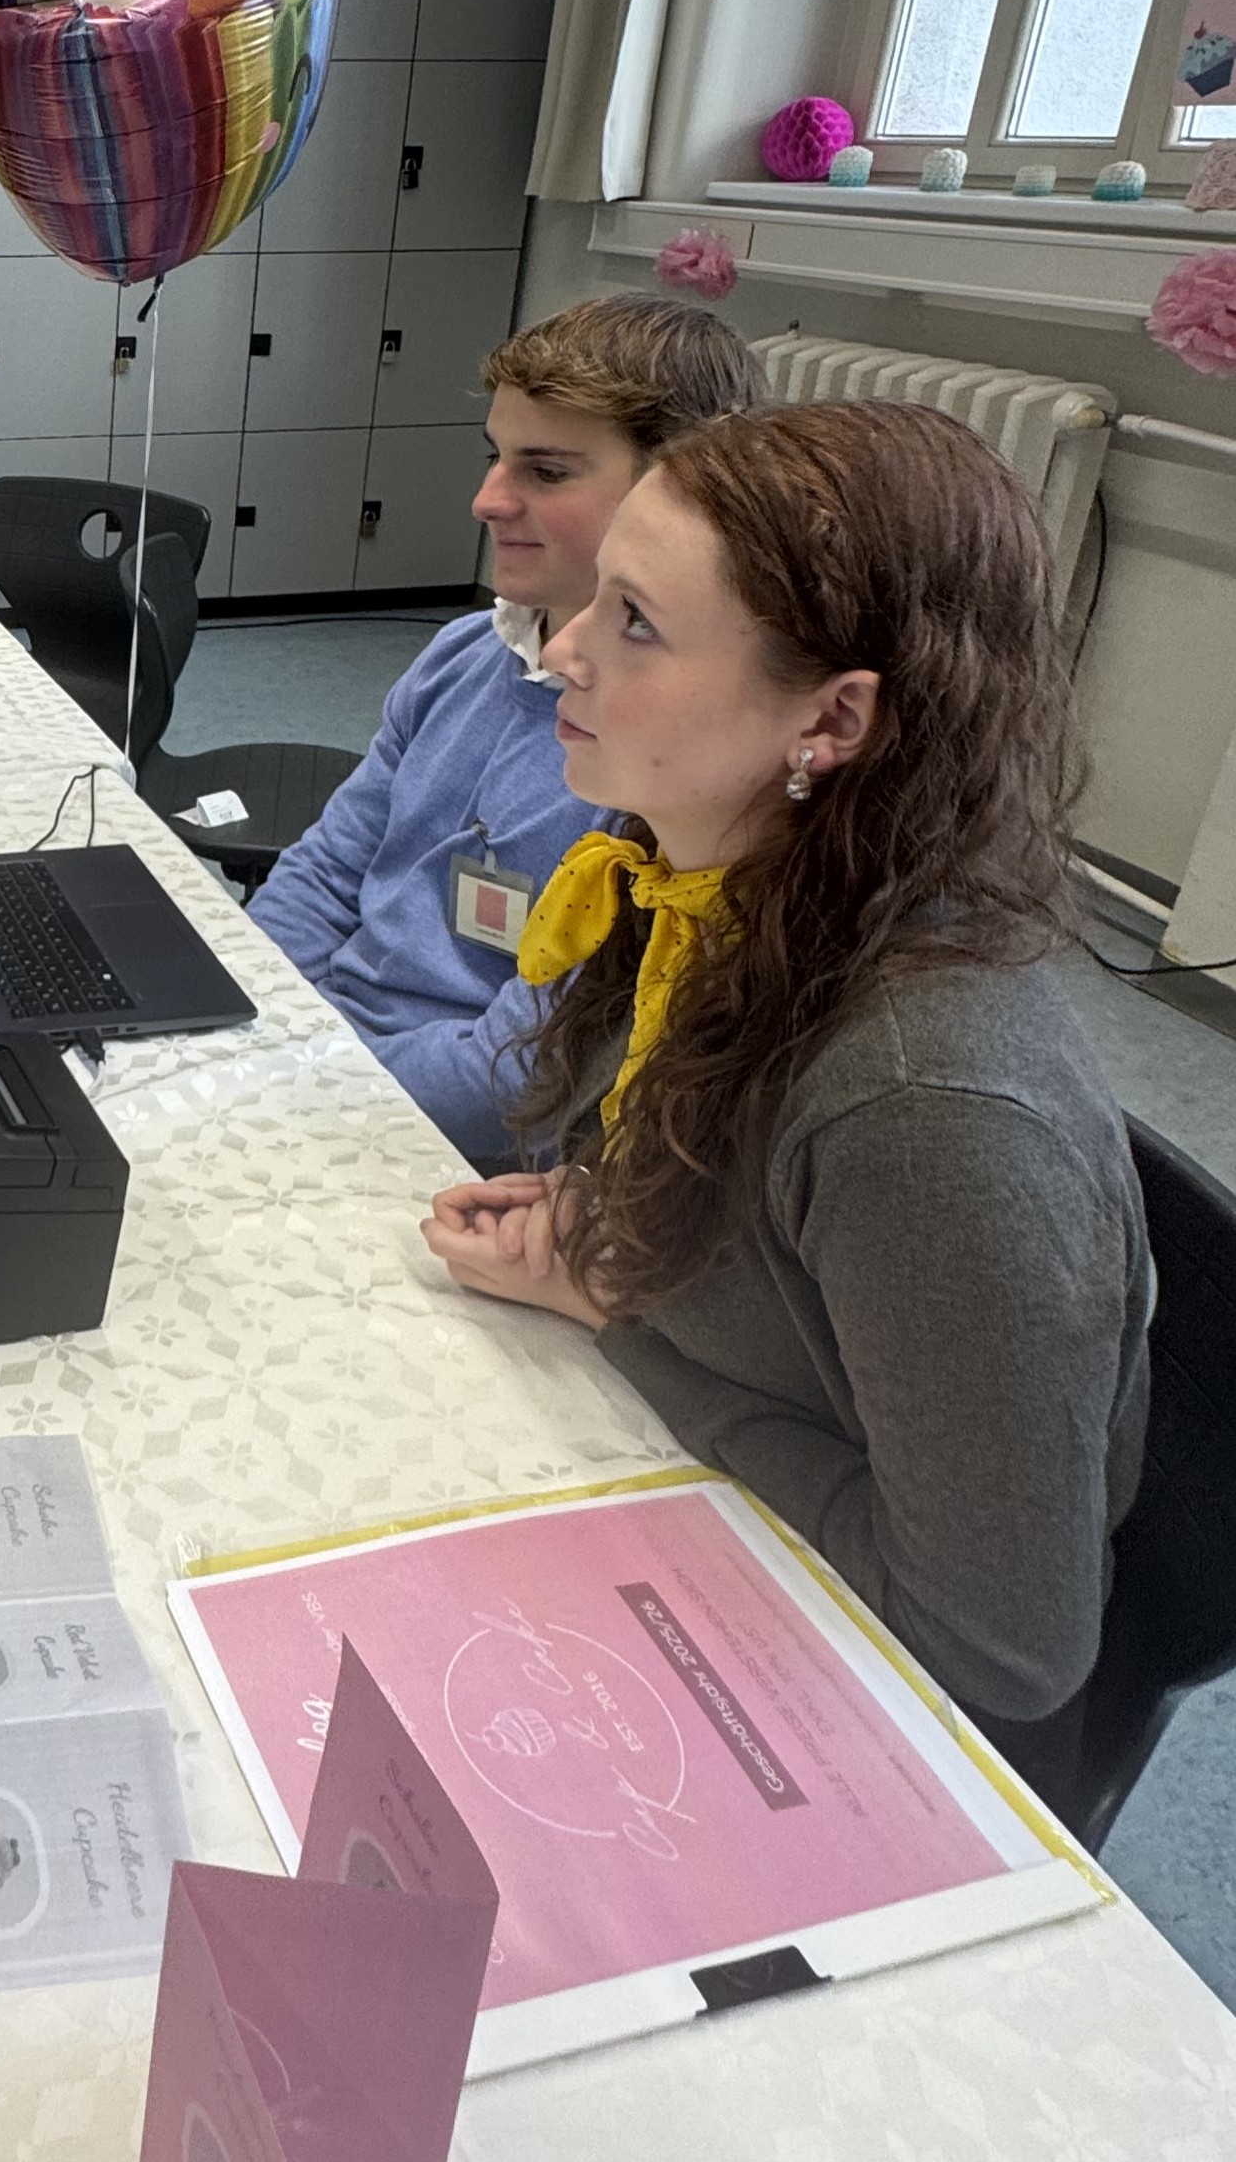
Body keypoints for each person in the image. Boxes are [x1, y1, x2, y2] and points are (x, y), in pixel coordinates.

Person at [421, 401, 1151, 1787]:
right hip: (730, 1536)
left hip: (881, 1724)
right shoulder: (710, 877)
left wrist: (619, 1312)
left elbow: (995, 1650)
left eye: (633, 620)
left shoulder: (923, 1108)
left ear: (830, 716)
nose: (561, 646)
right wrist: (604, 1216)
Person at [249, 296, 762, 1167]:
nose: (487, 500)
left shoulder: (664, 760)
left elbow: (523, 1071)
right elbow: (329, 869)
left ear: (675, 492)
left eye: (546, 472)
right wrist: (243, 1011)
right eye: (494, 458)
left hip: (431, 1139)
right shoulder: (461, 653)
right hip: (312, 1066)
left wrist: (293, 1088)